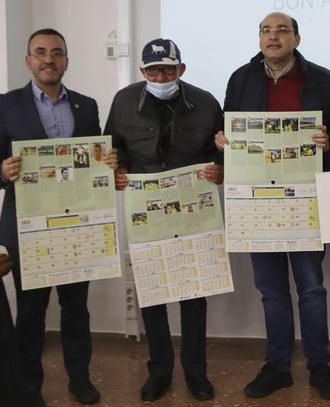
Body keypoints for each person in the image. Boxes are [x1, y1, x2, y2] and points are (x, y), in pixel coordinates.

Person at [0, 28, 117, 406]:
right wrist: (1, 171)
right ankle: (27, 383)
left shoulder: (85, 106)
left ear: (66, 60)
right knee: (32, 312)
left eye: (56, 53)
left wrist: (108, 161)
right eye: (40, 52)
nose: (48, 59)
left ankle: (80, 379)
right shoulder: (4, 105)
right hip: (27, 228)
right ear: (29, 60)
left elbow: (95, 157)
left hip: (77, 225)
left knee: (75, 310)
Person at [215, 12, 330, 400]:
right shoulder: (241, 78)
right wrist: (220, 142)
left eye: (281, 30)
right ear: (259, 39)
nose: (273, 37)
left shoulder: (325, 80)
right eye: (266, 31)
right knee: (271, 290)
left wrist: (328, 142)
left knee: (312, 289)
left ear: (297, 39)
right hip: (255, 202)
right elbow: (227, 129)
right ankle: (278, 366)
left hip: (305, 199)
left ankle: (319, 366)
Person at [104, 38, 223, 402]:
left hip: (194, 211)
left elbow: (221, 151)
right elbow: (112, 148)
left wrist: (221, 169)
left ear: (181, 70)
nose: (160, 76)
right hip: (145, 213)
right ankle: (159, 372)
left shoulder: (205, 102)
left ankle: (196, 373)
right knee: (153, 295)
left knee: (194, 294)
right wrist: (117, 168)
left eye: (168, 69)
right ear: (142, 71)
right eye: (153, 70)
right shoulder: (124, 101)